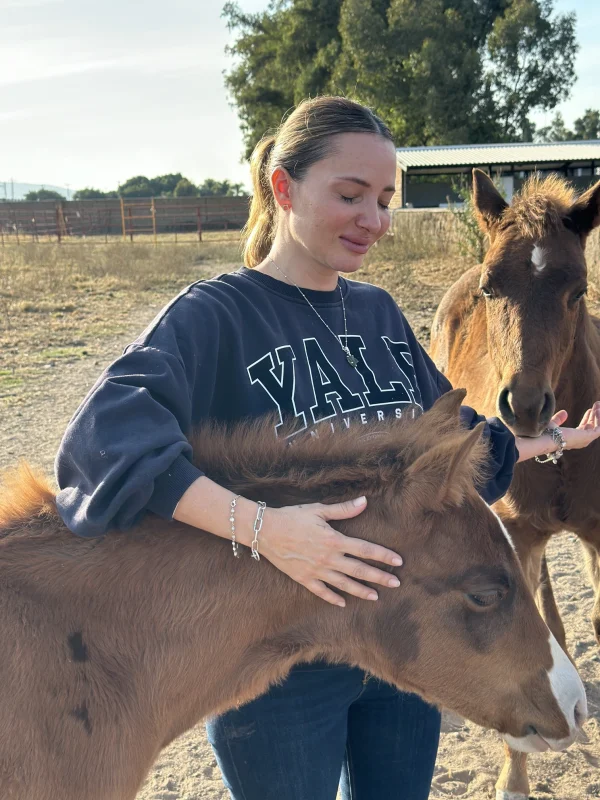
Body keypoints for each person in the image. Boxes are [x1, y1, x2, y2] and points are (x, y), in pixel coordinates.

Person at [55, 96, 600, 800]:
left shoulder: (376, 313)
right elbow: (104, 442)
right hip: (279, 671)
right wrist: (266, 530)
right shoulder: (216, 315)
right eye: (350, 195)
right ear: (284, 188)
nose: (374, 220)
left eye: (384, 199)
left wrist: (549, 440)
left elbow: (447, 452)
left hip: (403, 648)